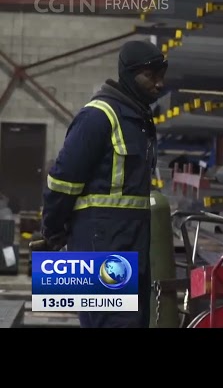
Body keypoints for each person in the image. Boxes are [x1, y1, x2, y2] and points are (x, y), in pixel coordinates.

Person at [37, 40, 168, 328]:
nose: (159, 85)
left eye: (161, 76)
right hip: (102, 245)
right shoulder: (98, 117)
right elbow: (61, 181)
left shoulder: (138, 121)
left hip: (131, 244)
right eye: (150, 76)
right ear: (129, 74)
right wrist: (52, 230)